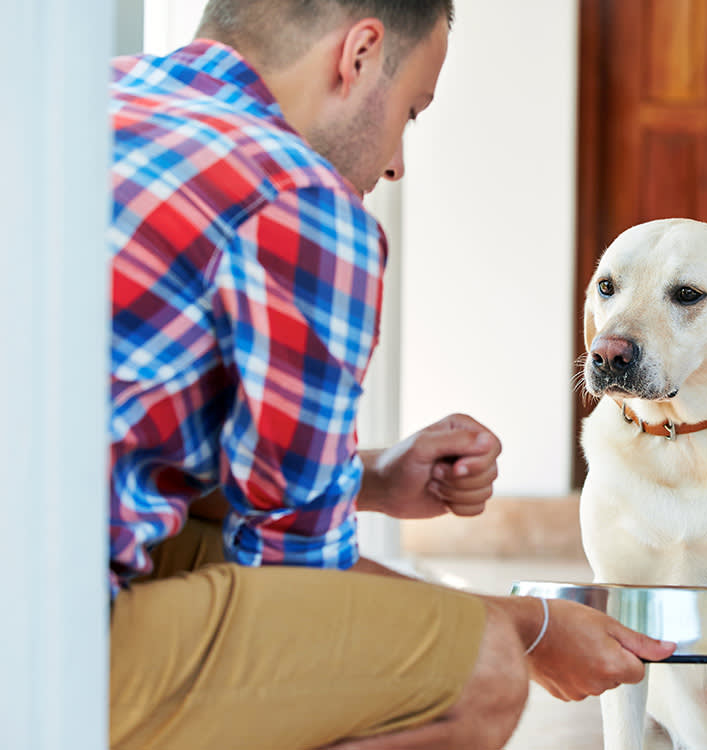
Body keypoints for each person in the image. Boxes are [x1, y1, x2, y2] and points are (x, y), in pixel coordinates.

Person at [107, 1, 676, 748]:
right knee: (483, 671)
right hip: (49, 645)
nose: (397, 162)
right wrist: (528, 631)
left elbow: (147, 450)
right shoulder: (301, 200)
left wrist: (371, 479)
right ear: (360, 54)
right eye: (411, 110)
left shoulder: (107, 99)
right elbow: (294, 590)